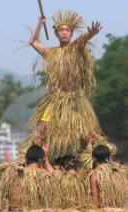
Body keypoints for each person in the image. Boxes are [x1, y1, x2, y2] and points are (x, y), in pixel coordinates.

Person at [20, 10, 105, 159]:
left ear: (71, 33)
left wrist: (90, 33)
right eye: (61, 30)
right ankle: (31, 161)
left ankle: (97, 162)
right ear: (56, 33)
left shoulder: (75, 49)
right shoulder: (50, 53)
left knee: (90, 133)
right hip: (56, 100)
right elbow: (33, 41)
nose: (64, 33)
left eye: (67, 30)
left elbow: (82, 40)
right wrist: (40, 22)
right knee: (42, 129)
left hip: (76, 100)